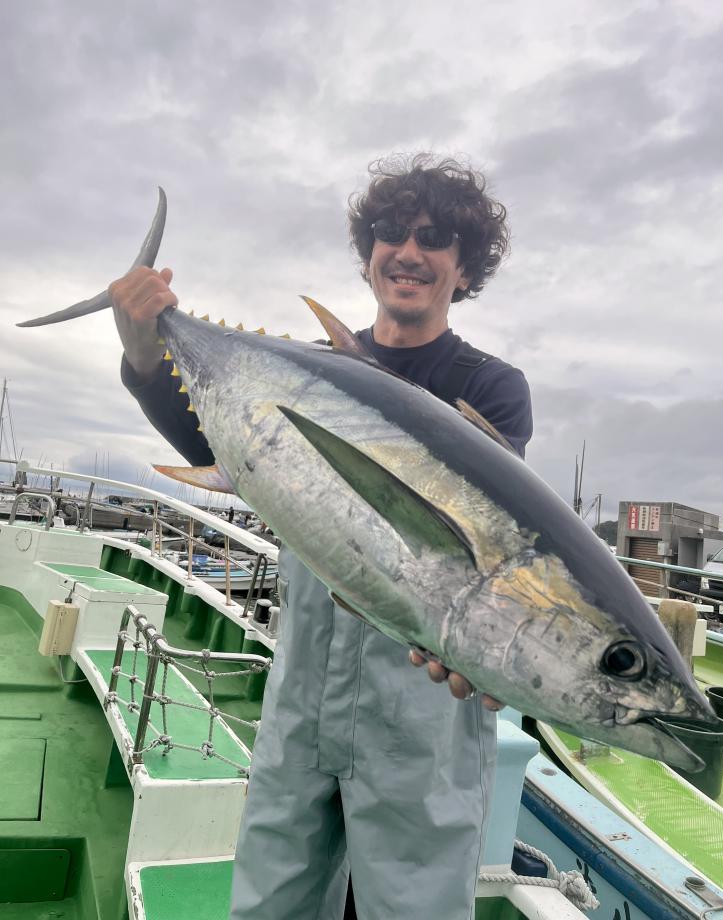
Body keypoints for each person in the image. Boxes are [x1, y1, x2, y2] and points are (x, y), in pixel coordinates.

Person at [109, 154, 533, 920]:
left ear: (466, 266)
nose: (408, 250)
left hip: (420, 698)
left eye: (434, 237)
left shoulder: (490, 387)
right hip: (303, 680)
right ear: (368, 257)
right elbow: (220, 446)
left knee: (415, 906)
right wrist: (144, 348)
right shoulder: (300, 367)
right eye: (390, 232)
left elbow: (489, 547)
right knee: (272, 898)